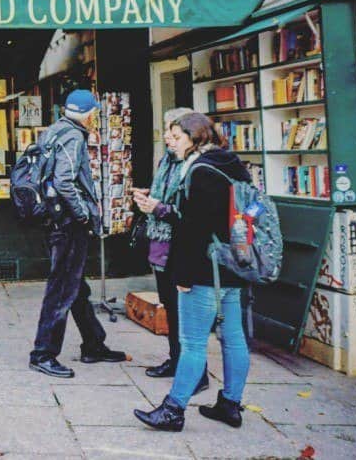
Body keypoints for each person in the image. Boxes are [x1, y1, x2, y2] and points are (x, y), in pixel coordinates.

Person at [132, 112, 252, 432]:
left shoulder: (199, 171)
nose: (173, 142)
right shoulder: (233, 164)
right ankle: (230, 403)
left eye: (178, 136)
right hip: (232, 264)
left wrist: (181, 275)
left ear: (194, 136)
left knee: (193, 341)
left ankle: (174, 409)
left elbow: (192, 228)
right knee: (234, 338)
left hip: (203, 269)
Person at [29, 89, 127, 378]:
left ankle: (93, 344)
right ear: (88, 114)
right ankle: (43, 353)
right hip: (69, 225)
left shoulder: (54, 130)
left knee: (76, 287)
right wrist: (84, 215)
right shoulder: (73, 136)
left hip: (54, 222)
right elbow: (64, 181)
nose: (95, 118)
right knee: (61, 288)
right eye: (94, 113)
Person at [135, 107, 207, 396]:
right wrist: (148, 198)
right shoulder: (168, 160)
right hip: (161, 243)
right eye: (167, 130)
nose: (167, 136)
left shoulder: (194, 165)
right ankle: (177, 360)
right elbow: (163, 193)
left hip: (181, 246)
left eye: (173, 132)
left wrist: (159, 207)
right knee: (170, 305)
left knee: (186, 312)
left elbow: (190, 212)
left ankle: (197, 372)